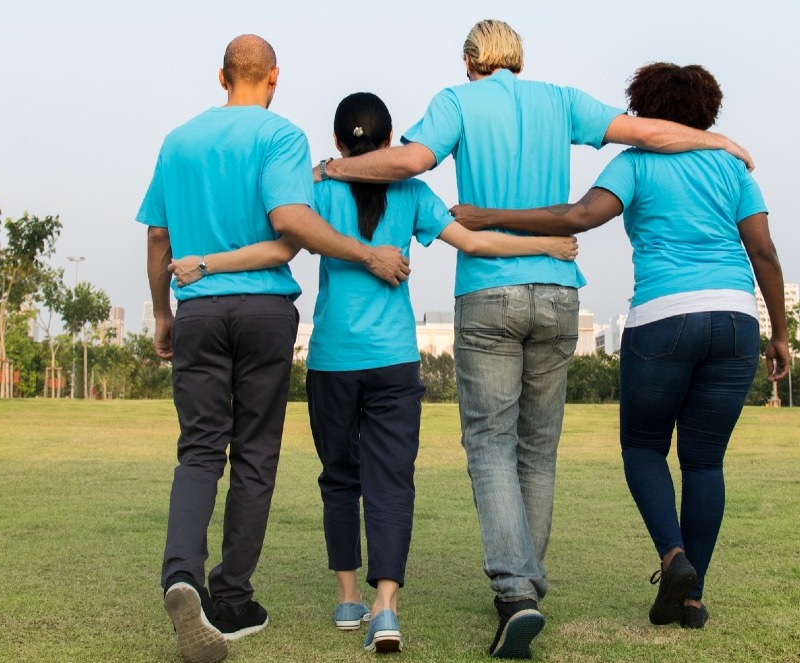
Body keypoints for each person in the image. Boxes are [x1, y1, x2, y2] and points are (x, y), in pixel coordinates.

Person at [315, 19, 754, 659]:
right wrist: (720, 141)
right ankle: (527, 587)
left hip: (488, 292)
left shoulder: (457, 101)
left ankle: (516, 594)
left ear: (470, 60)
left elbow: (410, 161)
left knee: (490, 444)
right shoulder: (563, 100)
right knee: (538, 449)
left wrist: (330, 167)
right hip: (558, 291)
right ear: (518, 58)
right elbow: (647, 131)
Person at [168, 91, 578, 655]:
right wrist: (549, 246)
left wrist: (208, 261)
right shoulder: (411, 191)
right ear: (388, 143)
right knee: (392, 481)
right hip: (393, 361)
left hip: (332, 360)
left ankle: (347, 598)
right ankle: (386, 610)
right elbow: (477, 243)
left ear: (339, 143)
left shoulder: (313, 190)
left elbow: (277, 242)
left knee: (339, 478)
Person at [450, 62, 790, 630]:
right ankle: (691, 598)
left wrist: (490, 216)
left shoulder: (636, 163)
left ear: (646, 109)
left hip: (664, 318)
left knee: (643, 448)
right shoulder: (733, 167)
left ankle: (673, 557)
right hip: (735, 319)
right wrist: (778, 332)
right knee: (704, 461)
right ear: (708, 111)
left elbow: (579, 216)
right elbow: (765, 252)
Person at [137, 35, 409, 663]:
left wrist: (160, 312)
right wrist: (367, 252)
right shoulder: (281, 137)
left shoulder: (177, 141)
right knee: (255, 454)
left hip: (198, 309)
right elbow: (290, 223)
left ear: (222, 76)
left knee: (199, 450)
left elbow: (158, 238)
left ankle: (183, 575)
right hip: (264, 311)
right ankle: (232, 599)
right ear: (274, 78)